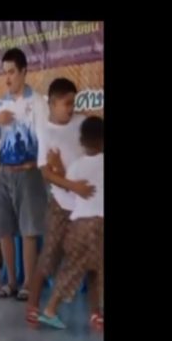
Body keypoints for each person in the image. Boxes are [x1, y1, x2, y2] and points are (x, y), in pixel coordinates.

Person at [26, 78, 95, 325]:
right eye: (66, 103)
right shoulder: (46, 131)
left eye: (73, 103)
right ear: (52, 104)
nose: (71, 108)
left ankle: (96, 312)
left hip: (86, 207)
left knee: (91, 259)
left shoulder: (82, 123)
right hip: (61, 205)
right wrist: (73, 186)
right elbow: (46, 172)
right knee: (49, 257)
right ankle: (33, 306)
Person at [0, 48, 49, 302]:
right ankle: (10, 281)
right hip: (4, 173)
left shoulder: (37, 103)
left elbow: (44, 140)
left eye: (12, 72)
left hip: (29, 173)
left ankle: (29, 284)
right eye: (5, 73)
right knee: (4, 229)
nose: (8, 78)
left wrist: (41, 169)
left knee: (29, 230)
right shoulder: (1, 104)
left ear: (23, 71)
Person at [38, 117, 104, 330]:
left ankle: (88, 313)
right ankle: (91, 312)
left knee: (76, 270)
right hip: (98, 227)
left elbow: (68, 186)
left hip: (76, 228)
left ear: (81, 141)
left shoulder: (76, 166)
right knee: (96, 271)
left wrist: (57, 165)